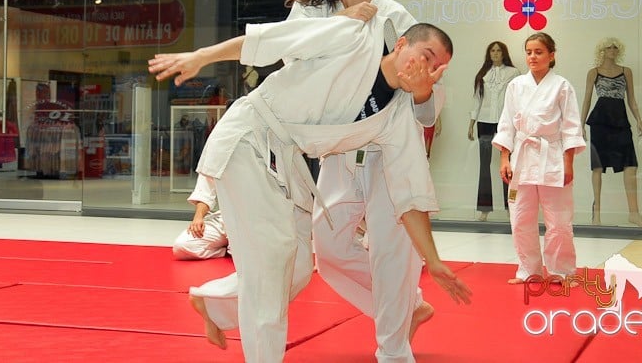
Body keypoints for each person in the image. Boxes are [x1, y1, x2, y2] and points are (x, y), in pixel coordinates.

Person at [148, 18, 472, 363]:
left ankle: (215, 305)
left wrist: (434, 261)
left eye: (437, 69)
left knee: (300, 265)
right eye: (425, 56)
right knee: (273, 263)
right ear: (402, 43)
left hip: (286, 161)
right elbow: (276, 39)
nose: (427, 70)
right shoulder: (354, 40)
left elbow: (411, 195)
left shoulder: (395, 120)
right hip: (250, 138)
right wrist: (204, 56)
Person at [287, 0, 445, 362]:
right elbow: (290, 55)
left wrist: (422, 90)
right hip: (342, 146)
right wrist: (337, 25)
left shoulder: (396, 17)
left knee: (392, 254)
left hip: (392, 149)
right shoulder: (312, 12)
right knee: (331, 248)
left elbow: (429, 107)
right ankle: (407, 307)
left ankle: (394, 351)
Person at [492, 32, 586, 284]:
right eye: (529, 52)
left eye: (539, 52)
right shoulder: (516, 86)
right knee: (521, 217)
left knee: (559, 221)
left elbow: (571, 127)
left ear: (551, 55)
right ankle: (528, 270)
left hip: (552, 156)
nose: (532, 57)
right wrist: (504, 158)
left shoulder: (562, 86)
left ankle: (561, 271)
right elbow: (507, 124)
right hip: (521, 157)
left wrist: (568, 163)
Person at [580, 37, 642, 227]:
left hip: (620, 120)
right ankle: (597, 215)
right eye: (608, 47)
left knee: (630, 165)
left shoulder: (626, 72)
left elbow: (631, 99)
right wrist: (581, 124)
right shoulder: (594, 73)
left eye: (615, 47)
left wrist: (639, 119)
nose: (612, 50)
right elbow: (586, 99)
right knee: (598, 167)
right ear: (602, 50)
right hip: (600, 121)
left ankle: (634, 213)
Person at [468, 41, 520, 221]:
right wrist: (471, 122)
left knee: (508, 167)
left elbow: (517, 100)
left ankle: (511, 208)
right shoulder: (483, 74)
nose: (495, 53)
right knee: (484, 165)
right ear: (489, 53)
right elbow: (477, 99)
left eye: (498, 51)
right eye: (492, 51)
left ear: (503, 53)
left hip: (505, 123)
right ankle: (484, 209)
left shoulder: (513, 73)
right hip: (484, 122)